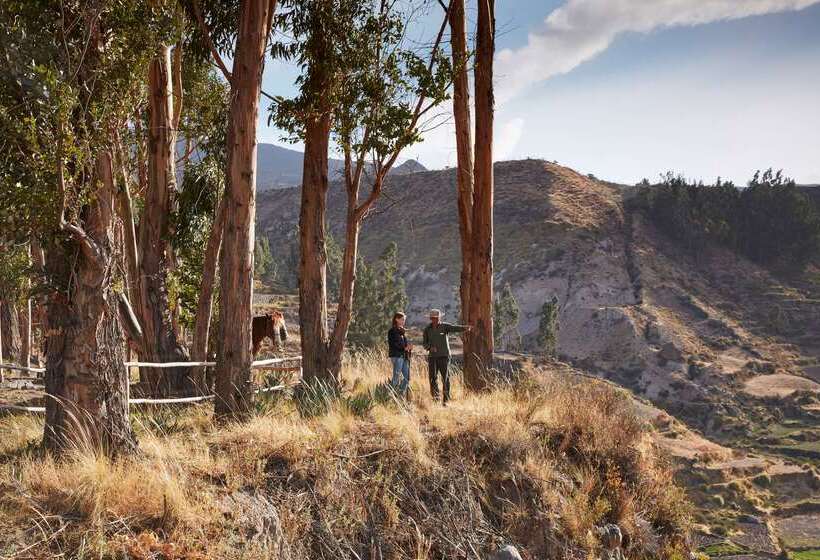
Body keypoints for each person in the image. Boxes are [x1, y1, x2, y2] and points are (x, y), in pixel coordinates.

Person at [422, 309, 471, 405]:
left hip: (444, 356)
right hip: (432, 357)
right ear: (431, 318)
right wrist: (430, 348)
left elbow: (455, 328)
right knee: (432, 378)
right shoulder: (427, 329)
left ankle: (446, 400)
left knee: (445, 378)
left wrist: (466, 328)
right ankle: (436, 398)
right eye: (433, 318)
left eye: (437, 317)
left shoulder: (445, 326)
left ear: (440, 317)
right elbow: (424, 343)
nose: (435, 319)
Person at [387, 312, 413, 395]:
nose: (403, 321)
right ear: (396, 319)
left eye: (404, 320)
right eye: (402, 319)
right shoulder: (392, 331)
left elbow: (403, 344)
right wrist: (404, 348)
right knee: (396, 377)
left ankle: (400, 395)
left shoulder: (402, 332)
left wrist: (408, 348)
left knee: (407, 377)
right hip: (397, 356)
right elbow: (393, 344)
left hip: (404, 356)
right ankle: (390, 395)